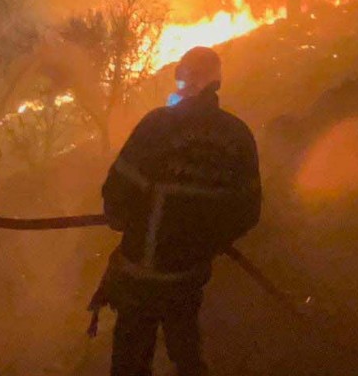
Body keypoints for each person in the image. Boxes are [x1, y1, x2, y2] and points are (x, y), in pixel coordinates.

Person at [96, 46, 262, 376]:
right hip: (189, 275)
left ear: (185, 81)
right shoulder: (237, 135)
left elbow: (117, 192)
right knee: (186, 353)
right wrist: (208, 241)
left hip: (140, 273)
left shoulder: (158, 126)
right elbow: (248, 212)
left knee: (131, 359)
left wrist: (124, 221)